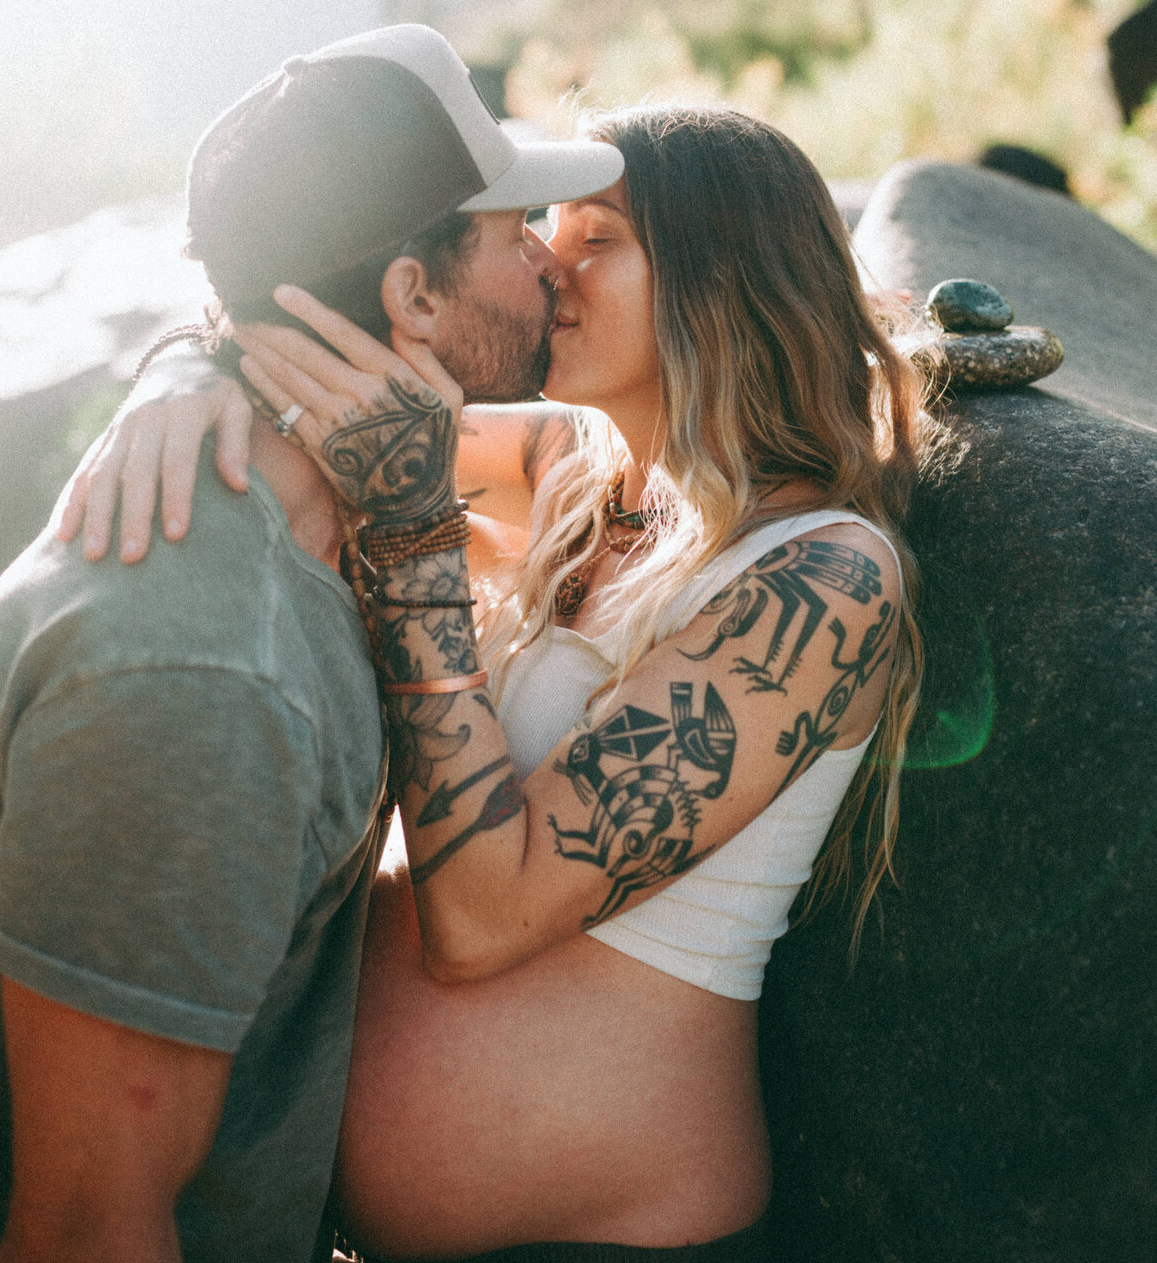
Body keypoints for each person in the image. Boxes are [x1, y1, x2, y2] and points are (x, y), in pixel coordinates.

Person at [68, 104, 942, 1261]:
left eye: (597, 240)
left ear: (722, 273)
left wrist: (419, 533)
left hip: (614, 1243)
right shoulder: (578, 467)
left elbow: (484, 918)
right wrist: (178, 374)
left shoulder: (823, 578)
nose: (545, 264)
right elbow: (311, 390)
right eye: (539, 230)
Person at [0, 23, 624, 1263]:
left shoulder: (320, 523)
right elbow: (89, 1226)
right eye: (508, 234)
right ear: (411, 298)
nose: (547, 264)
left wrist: (184, 363)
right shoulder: (202, 674)